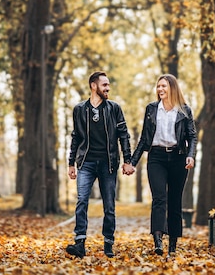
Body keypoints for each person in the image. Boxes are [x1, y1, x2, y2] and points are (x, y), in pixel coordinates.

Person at [65, 71, 134, 259]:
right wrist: (71, 163)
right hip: (86, 162)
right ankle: (79, 243)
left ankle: (108, 243)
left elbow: (124, 134)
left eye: (108, 84)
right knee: (82, 201)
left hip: (108, 163)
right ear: (93, 86)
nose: (108, 88)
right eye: (104, 85)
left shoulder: (114, 108)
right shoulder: (79, 109)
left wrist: (127, 160)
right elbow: (76, 137)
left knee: (109, 206)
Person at [129, 74, 197, 256]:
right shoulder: (151, 109)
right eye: (158, 86)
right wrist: (132, 162)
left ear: (172, 88)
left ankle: (173, 244)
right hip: (156, 157)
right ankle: (158, 240)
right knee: (159, 198)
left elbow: (192, 136)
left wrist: (190, 156)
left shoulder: (184, 110)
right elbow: (144, 138)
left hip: (178, 158)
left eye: (164, 86)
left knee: (175, 201)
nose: (160, 90)